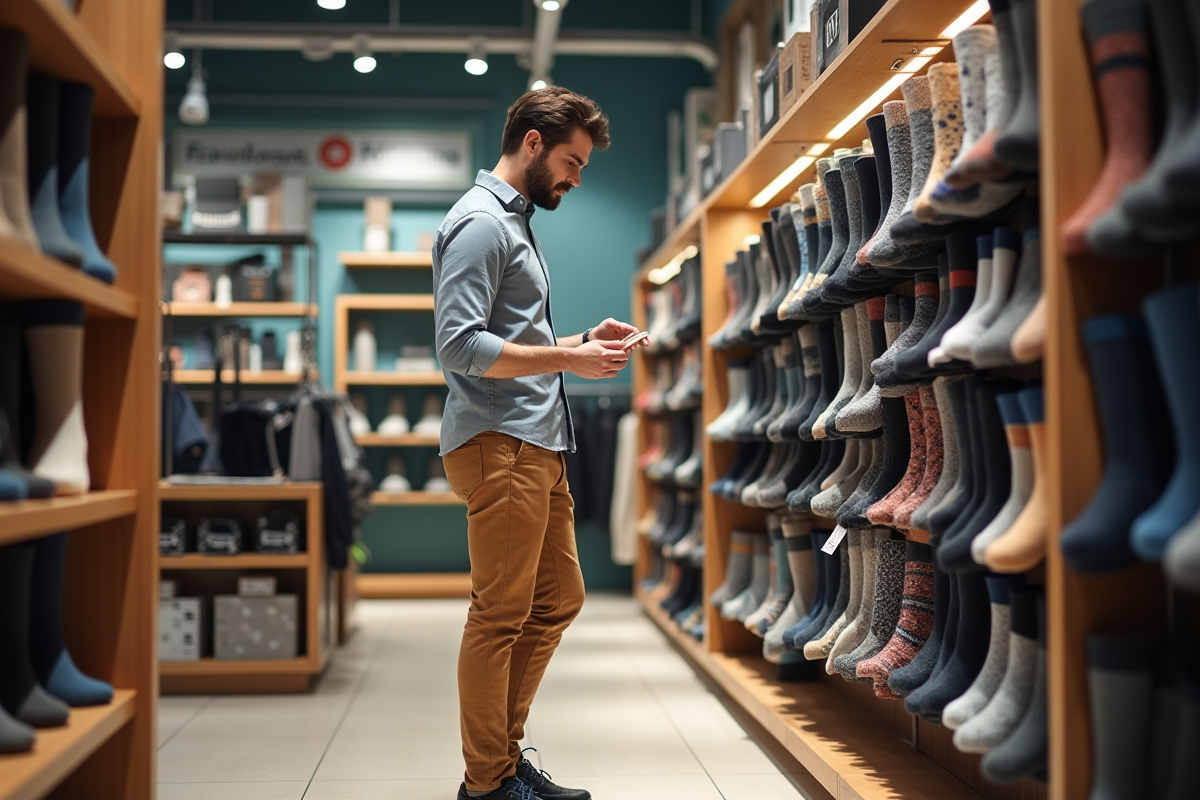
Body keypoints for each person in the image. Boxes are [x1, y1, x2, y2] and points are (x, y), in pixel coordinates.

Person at [433, 87, 644, 800]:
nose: (576, 179)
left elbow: (513, 338)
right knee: (498, 615)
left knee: (558, 600)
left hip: (535, 444)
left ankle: (502, 755)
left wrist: (584, 341)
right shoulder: (480, 225)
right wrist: (567, 361)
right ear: (531, 143)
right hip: (501, 442)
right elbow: (460, 346)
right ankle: (487, 783)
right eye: (570, 162)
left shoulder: (514, 223)